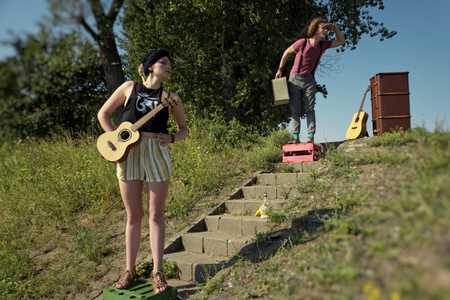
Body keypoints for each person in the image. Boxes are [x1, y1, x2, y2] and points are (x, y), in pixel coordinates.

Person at [97, 49, 188, 292]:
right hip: (128, 153)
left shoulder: (171, 97)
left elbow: (184, 129)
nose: (169, 66)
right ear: (150, 66)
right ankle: (130, 270)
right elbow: (103, 114)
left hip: (156, 152)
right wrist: (115, 140)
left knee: (156, 215)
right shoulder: (129, 87)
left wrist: (172, 138)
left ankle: (158, 272)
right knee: (133, 216)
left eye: (170, 62)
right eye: (163, 62)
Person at [275, 17, 344, 143]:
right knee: (295, 109)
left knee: (310, 108)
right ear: (316, 29)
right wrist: (280, 69)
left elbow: (340, 41)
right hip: (294, 78)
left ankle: (310, 137)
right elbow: (286, 53)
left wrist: (335, 28)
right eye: (324, 28)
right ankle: (295, 138)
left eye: (327, 29)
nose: (326, 31)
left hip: (309, 80)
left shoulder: (323, 45)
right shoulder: (302, 43)